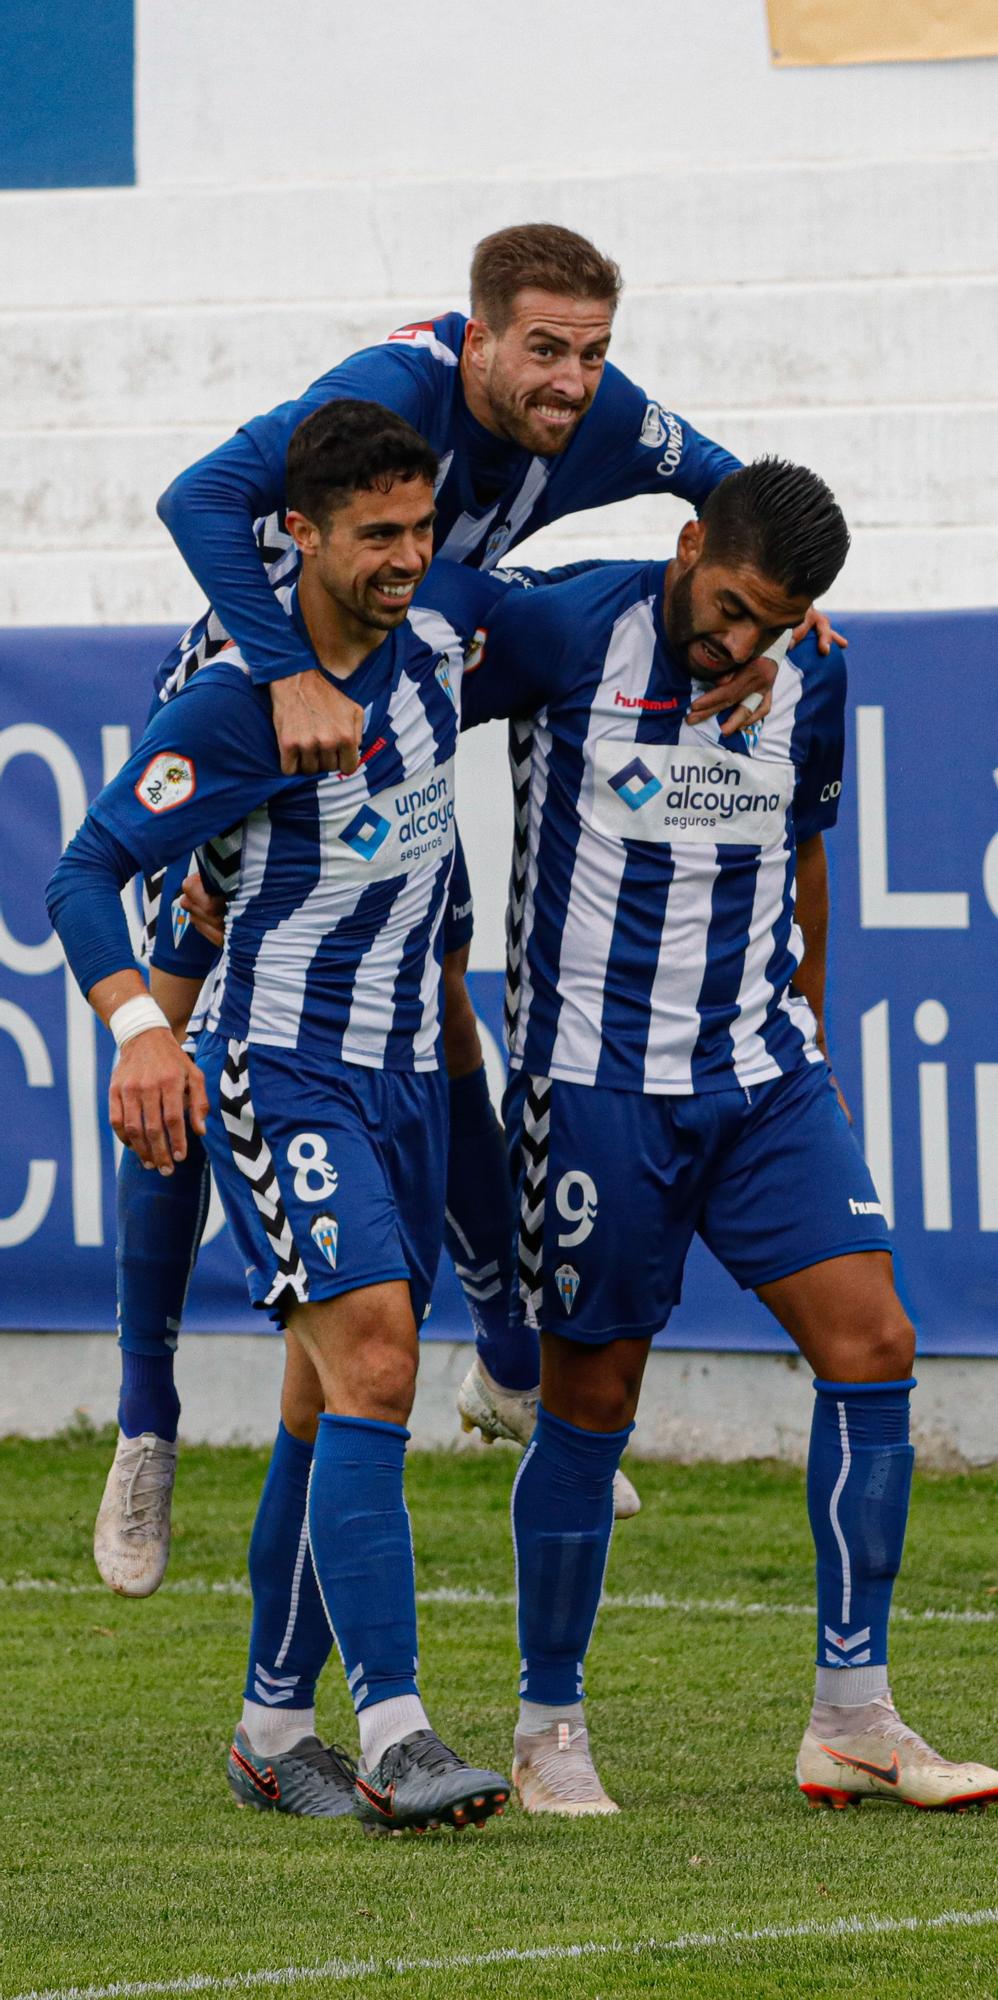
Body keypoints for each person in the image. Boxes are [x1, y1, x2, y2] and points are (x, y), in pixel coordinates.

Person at [101, 223, 842, 1586]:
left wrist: (783, 630)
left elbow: (742, 497)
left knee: (431, 1004)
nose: (570, 380)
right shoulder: (393, 392)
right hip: (272, 701)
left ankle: (505, 1356)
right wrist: (284, 675)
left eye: (592, 351)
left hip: (407, 704)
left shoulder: (605, 414)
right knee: (186, 1012)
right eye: (543, 349)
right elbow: (199, 497)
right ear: (478, 336)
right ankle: (146, 1417)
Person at [456, 457, 998, 1816]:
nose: (740, 641)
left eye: (774, 619)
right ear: (687, 543)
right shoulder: (568, 629)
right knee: (591, 1400)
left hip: (760, 1076)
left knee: (873, 1344)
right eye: (732, 606)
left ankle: (852, 1716)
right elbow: (393, 690)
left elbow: (805, 853)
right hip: (591, 1086)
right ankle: (547, 1726)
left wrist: (810, 1031)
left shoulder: (812, 672)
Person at [47, 403, 516, 1832]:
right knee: (374, 1355)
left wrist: (765, 640)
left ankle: (268, 1729)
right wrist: (143, 1031)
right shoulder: (236, 707)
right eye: (376, 534)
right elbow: (81, 873)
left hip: (404, 1078)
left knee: (328, 1400)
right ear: (295, 538)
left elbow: (603, 620)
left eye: (421, 530)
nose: (407, 558)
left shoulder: (440, 646)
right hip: (278, 1064)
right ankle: (399, 1730)